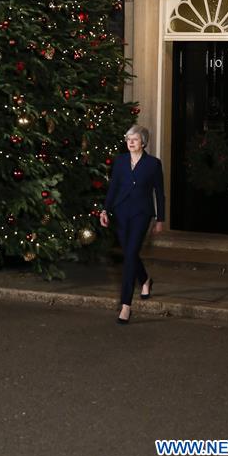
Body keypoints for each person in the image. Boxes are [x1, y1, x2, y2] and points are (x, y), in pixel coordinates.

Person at [99, 124, 165, 324]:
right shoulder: (120, 161)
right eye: (128, 139)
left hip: (141, 214)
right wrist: (105, 210)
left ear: (143, 142)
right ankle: (145, 279)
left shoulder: (153, 164)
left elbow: (159, 193)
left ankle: (126, 305)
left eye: (134, 139)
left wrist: (160, 219)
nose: (130, 142)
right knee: (130, 252)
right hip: (121, 211)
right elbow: (113, 187)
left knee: (129, 255)